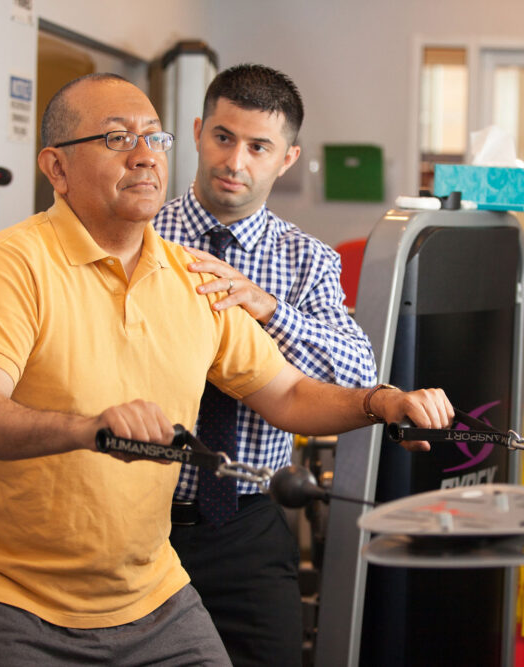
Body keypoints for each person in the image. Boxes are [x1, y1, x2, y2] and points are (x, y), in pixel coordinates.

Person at [0, 72, 453, 666]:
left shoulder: (195, 274)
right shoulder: (15, 261)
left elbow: (287, 394)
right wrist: (90, 428)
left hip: (157, 583)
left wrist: (380, 403)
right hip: (13, 596)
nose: (144, 156)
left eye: (155, 138)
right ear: (56, 168)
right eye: (115, 139)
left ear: (286, 159)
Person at [154, 63, 374, 667]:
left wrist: (268, 308)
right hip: (136, 517)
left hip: (249, 521)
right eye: (223, 137)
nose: (235, 161)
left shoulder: (307, 261)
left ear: (287, 158)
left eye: (259, 147)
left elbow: (357, 376)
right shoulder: (139, 237)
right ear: (198, 131)